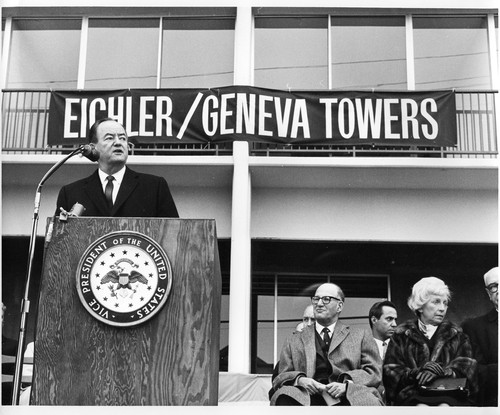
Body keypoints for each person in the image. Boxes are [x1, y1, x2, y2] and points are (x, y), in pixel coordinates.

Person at [270, 283, 383, 406]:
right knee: (284, 396)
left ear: (339, 306)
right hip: (306, 397)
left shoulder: (361, 336)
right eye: (316, 299)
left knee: (367, 401)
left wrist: (347, 385)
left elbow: (374, 372)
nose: (319, 304)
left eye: (326, 299)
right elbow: (280, 376)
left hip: (348, 397)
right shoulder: (294, 339)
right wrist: (300, 380)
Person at [56, 118, 178, 218]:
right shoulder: (71, 192)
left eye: (122, 138)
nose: (118, 142)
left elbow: (173, 234)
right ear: (93, 147)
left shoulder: (155, 187)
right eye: (109, 138)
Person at [383, 277, 478, 406]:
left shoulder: (457, 335)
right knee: (420, 409)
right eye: (436, 302)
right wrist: (417, 373)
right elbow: (391, 373)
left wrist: (442, 372)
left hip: (449, 393)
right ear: (420, 306)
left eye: (445, 303)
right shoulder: (401, 335)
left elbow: (467, 368)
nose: (442, 308)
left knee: (444, 408)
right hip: (413, 394)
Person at [462, 266, 498, 406]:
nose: (499, 290)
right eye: (494, 286)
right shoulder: (473, 327)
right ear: (488, 293)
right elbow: (476, 370)